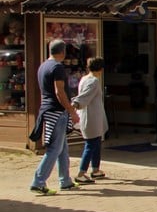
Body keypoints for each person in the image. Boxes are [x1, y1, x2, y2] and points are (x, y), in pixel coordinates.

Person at [29, 40, 81, 195]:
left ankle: (65, 181)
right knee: (54, 148)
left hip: (47, 109)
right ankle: (38, 182)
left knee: (62, 148)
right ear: (63, 52)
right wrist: (71, 110)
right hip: (57, 111)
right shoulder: (57, 67)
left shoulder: (44, 66)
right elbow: (60, 91)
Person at [73, 57, 108, 184]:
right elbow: (84, 97)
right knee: (91, 144)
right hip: (91, 117)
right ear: (101, 69)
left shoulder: (85, 78)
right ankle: (81, 173)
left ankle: (95, 169)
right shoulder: (93, 81)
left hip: (93, 116)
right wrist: (74, 105)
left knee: (96, 143)